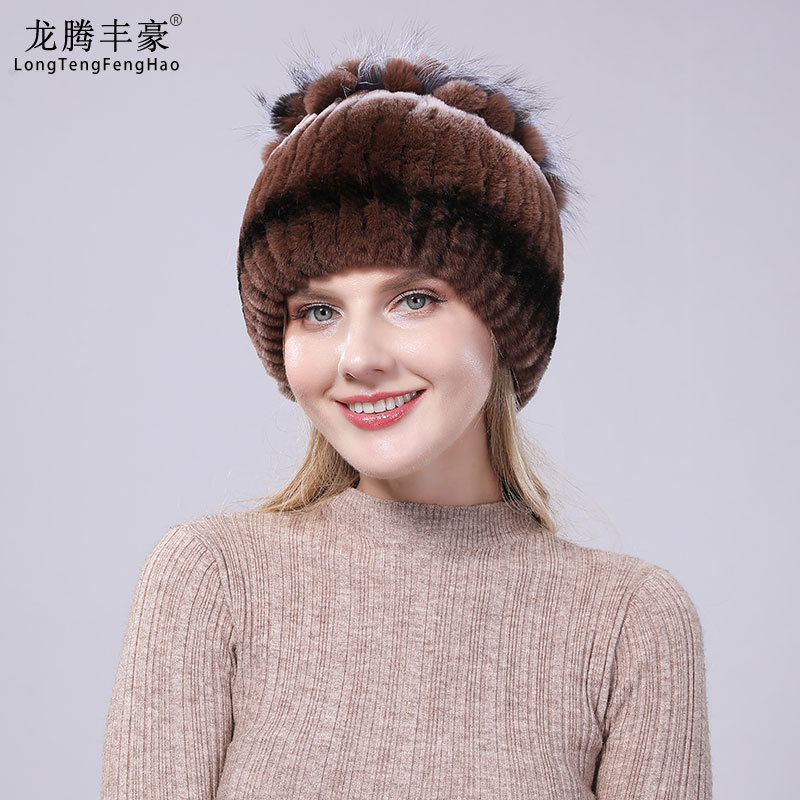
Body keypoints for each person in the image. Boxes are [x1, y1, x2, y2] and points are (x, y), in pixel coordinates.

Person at [100, 32, 712, 799]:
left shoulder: (631, 623)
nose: (358, 357)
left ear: (506, 323)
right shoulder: (209, 580)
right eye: (318, 311)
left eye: (414, 299)